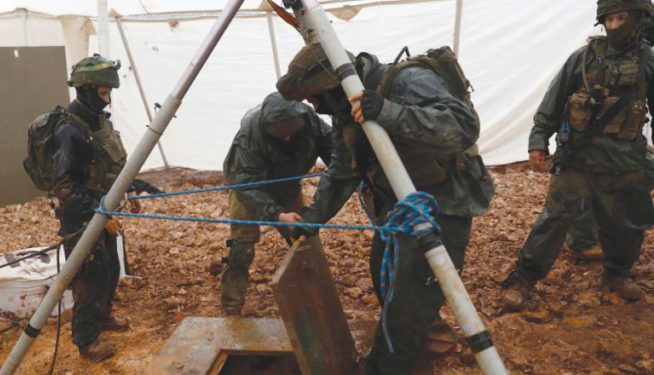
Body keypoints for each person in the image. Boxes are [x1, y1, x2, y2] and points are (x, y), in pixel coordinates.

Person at [276, 44, 493, 374]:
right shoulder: (345, 109)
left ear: (335, 83)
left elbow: (462, 126)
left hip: (443, 204)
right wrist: (312, 218)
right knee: (384, 272)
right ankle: (429, 336)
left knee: (407, 304)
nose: (315, 106)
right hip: (399, 206)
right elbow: (342, 170)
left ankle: (390, 364)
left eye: (316, 97)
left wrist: (388, 112)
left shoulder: (408, 81)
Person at [501, 0, 654, 310]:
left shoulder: (647, 63)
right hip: (578, 159)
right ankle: (523, 279)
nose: (613, 26)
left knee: (624, 225)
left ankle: (618, 273)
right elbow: (553, 101)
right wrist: (538, 140)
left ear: (639, 20)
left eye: (621, 18)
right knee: (554, 219)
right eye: (609, 19)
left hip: (624, 162)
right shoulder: (584, 58)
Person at [51, 54, 134, 361]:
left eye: (108, 92)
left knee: (110, 270)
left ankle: (103, 316)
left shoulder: (98, 123)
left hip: (103, 214)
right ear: (85, 90)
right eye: (102, 93)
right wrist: (98, 214)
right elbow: (63, 185)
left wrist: (130, 191)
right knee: (89, 279)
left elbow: (111, 166)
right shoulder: (69, 131)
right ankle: (86, 340)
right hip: (81, 220)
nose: (107, 99)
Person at [220, 92, 333, 315]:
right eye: (280, 135)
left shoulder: (311, 123)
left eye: (291, 133)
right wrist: (277, 215)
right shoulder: (250, 134)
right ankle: (231, 306)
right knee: (241, 246)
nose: (287, 139)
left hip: (287, 184)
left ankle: (318, 297)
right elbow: (245, 183)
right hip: (249, 189)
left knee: (303, 236)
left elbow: (336, 153)